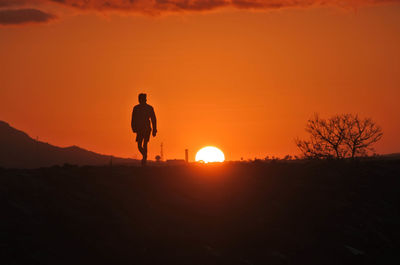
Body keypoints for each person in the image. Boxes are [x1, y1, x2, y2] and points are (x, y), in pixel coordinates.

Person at [131, 93, 157, 166]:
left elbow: (153, 119)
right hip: (140, 129)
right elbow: (133, 119)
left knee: (145, 143)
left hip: (146, 128)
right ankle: (144, 155)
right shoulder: (136, 108)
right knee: (139, 145)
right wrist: (133, 127)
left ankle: (144, 158)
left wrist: (154, 129)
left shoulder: (149, 108)